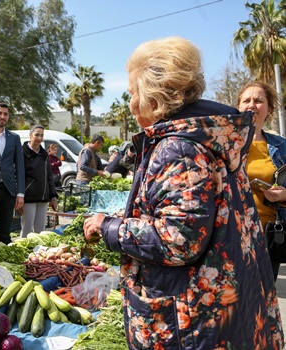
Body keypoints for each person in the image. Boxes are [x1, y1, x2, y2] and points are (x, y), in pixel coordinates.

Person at [83, 37, 283, 349]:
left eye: (133, 93)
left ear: (153, 97)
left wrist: (108, 227)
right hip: (216, 313)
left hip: (189, 323)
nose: (132, 103)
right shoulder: (208, 137)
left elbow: (178, 239)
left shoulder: (178, 148)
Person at [238, 81, 286, 280]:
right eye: (246, 100)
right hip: (230, 235)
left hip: (266, 237)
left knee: (262, 303)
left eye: (258, 101)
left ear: (269, 110)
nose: (251, 105)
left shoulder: (281, 146)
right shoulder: (225, 143)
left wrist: (283, 195)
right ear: (238, 107)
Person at [0, 102, 25, 247]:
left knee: (6, 233)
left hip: (8, 190)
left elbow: (20, 166)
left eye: (5, 114)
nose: (2, 116)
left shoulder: (14, 138)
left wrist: (20, 192)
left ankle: (5, 262)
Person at [21, 125, 58, 237]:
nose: (39, 138)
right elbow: (18, 175)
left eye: (41, 135)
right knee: (27, 228)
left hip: (43, 197)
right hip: (28, 197)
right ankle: (24, 252)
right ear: (30, 135)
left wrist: (53, 195)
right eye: (37, 134)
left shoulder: (44, 154)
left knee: (40, 230)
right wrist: (20, 195)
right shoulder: (22, 152)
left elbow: (49, 176)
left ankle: (38, 253)